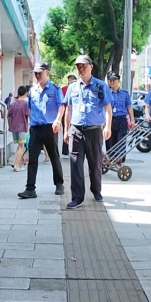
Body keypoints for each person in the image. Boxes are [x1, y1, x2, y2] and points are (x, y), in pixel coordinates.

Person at [61, 55, 112, 209]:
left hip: (94, 131)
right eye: (78, 66)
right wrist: (66, 130)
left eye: (84, 65)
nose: (81, 69)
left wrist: (108, 127)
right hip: (76, 130)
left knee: (95, 164)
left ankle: (96, 190)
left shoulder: (100, 86)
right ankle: (77, 197)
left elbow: (108, 108)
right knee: (75, 164)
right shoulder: (72, 87)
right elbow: (68, 109)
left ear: (91, 66)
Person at [19, 63, 65, 199]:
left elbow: (61, 106)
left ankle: (59, 184)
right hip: (35, 128)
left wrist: (58, 120)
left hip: (50, 128)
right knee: (32, 159)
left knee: (54, 157)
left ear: (47, 73)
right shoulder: (32, 91)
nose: (37, 75)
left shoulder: (55, 89)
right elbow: (30, 108)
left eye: (40, 72)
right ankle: (30, 188)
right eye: (36, 73)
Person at [105, 72, 135, 164]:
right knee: (110, 140)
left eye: (114, 80)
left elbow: (129, 107)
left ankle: (119, 159)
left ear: (118, 81)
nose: (112, 82)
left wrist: (132, 119)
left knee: (121, 140)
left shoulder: (124, 93)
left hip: (122, 119)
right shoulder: (107, 93)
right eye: (110, 80)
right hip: (110, 119)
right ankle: (110, 159)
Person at [7, 86, 30, 171]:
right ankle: (16, 165)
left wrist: (9, 125)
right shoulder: (25, 104)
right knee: (22, 147)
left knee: (19, 146)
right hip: (22, 127)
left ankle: (15, 163)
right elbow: (29, 115)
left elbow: (8, 116)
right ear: (25, 93)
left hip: (14, 127)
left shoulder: (13, 104)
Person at [61, 73, 77, 156]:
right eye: (70, 78)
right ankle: (65, 150)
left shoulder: (78, 88)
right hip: (65, 111)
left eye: (72, 78)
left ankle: (73, 149)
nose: (71, 79)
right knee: (66, 130)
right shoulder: (64, 89)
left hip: (75, 112)